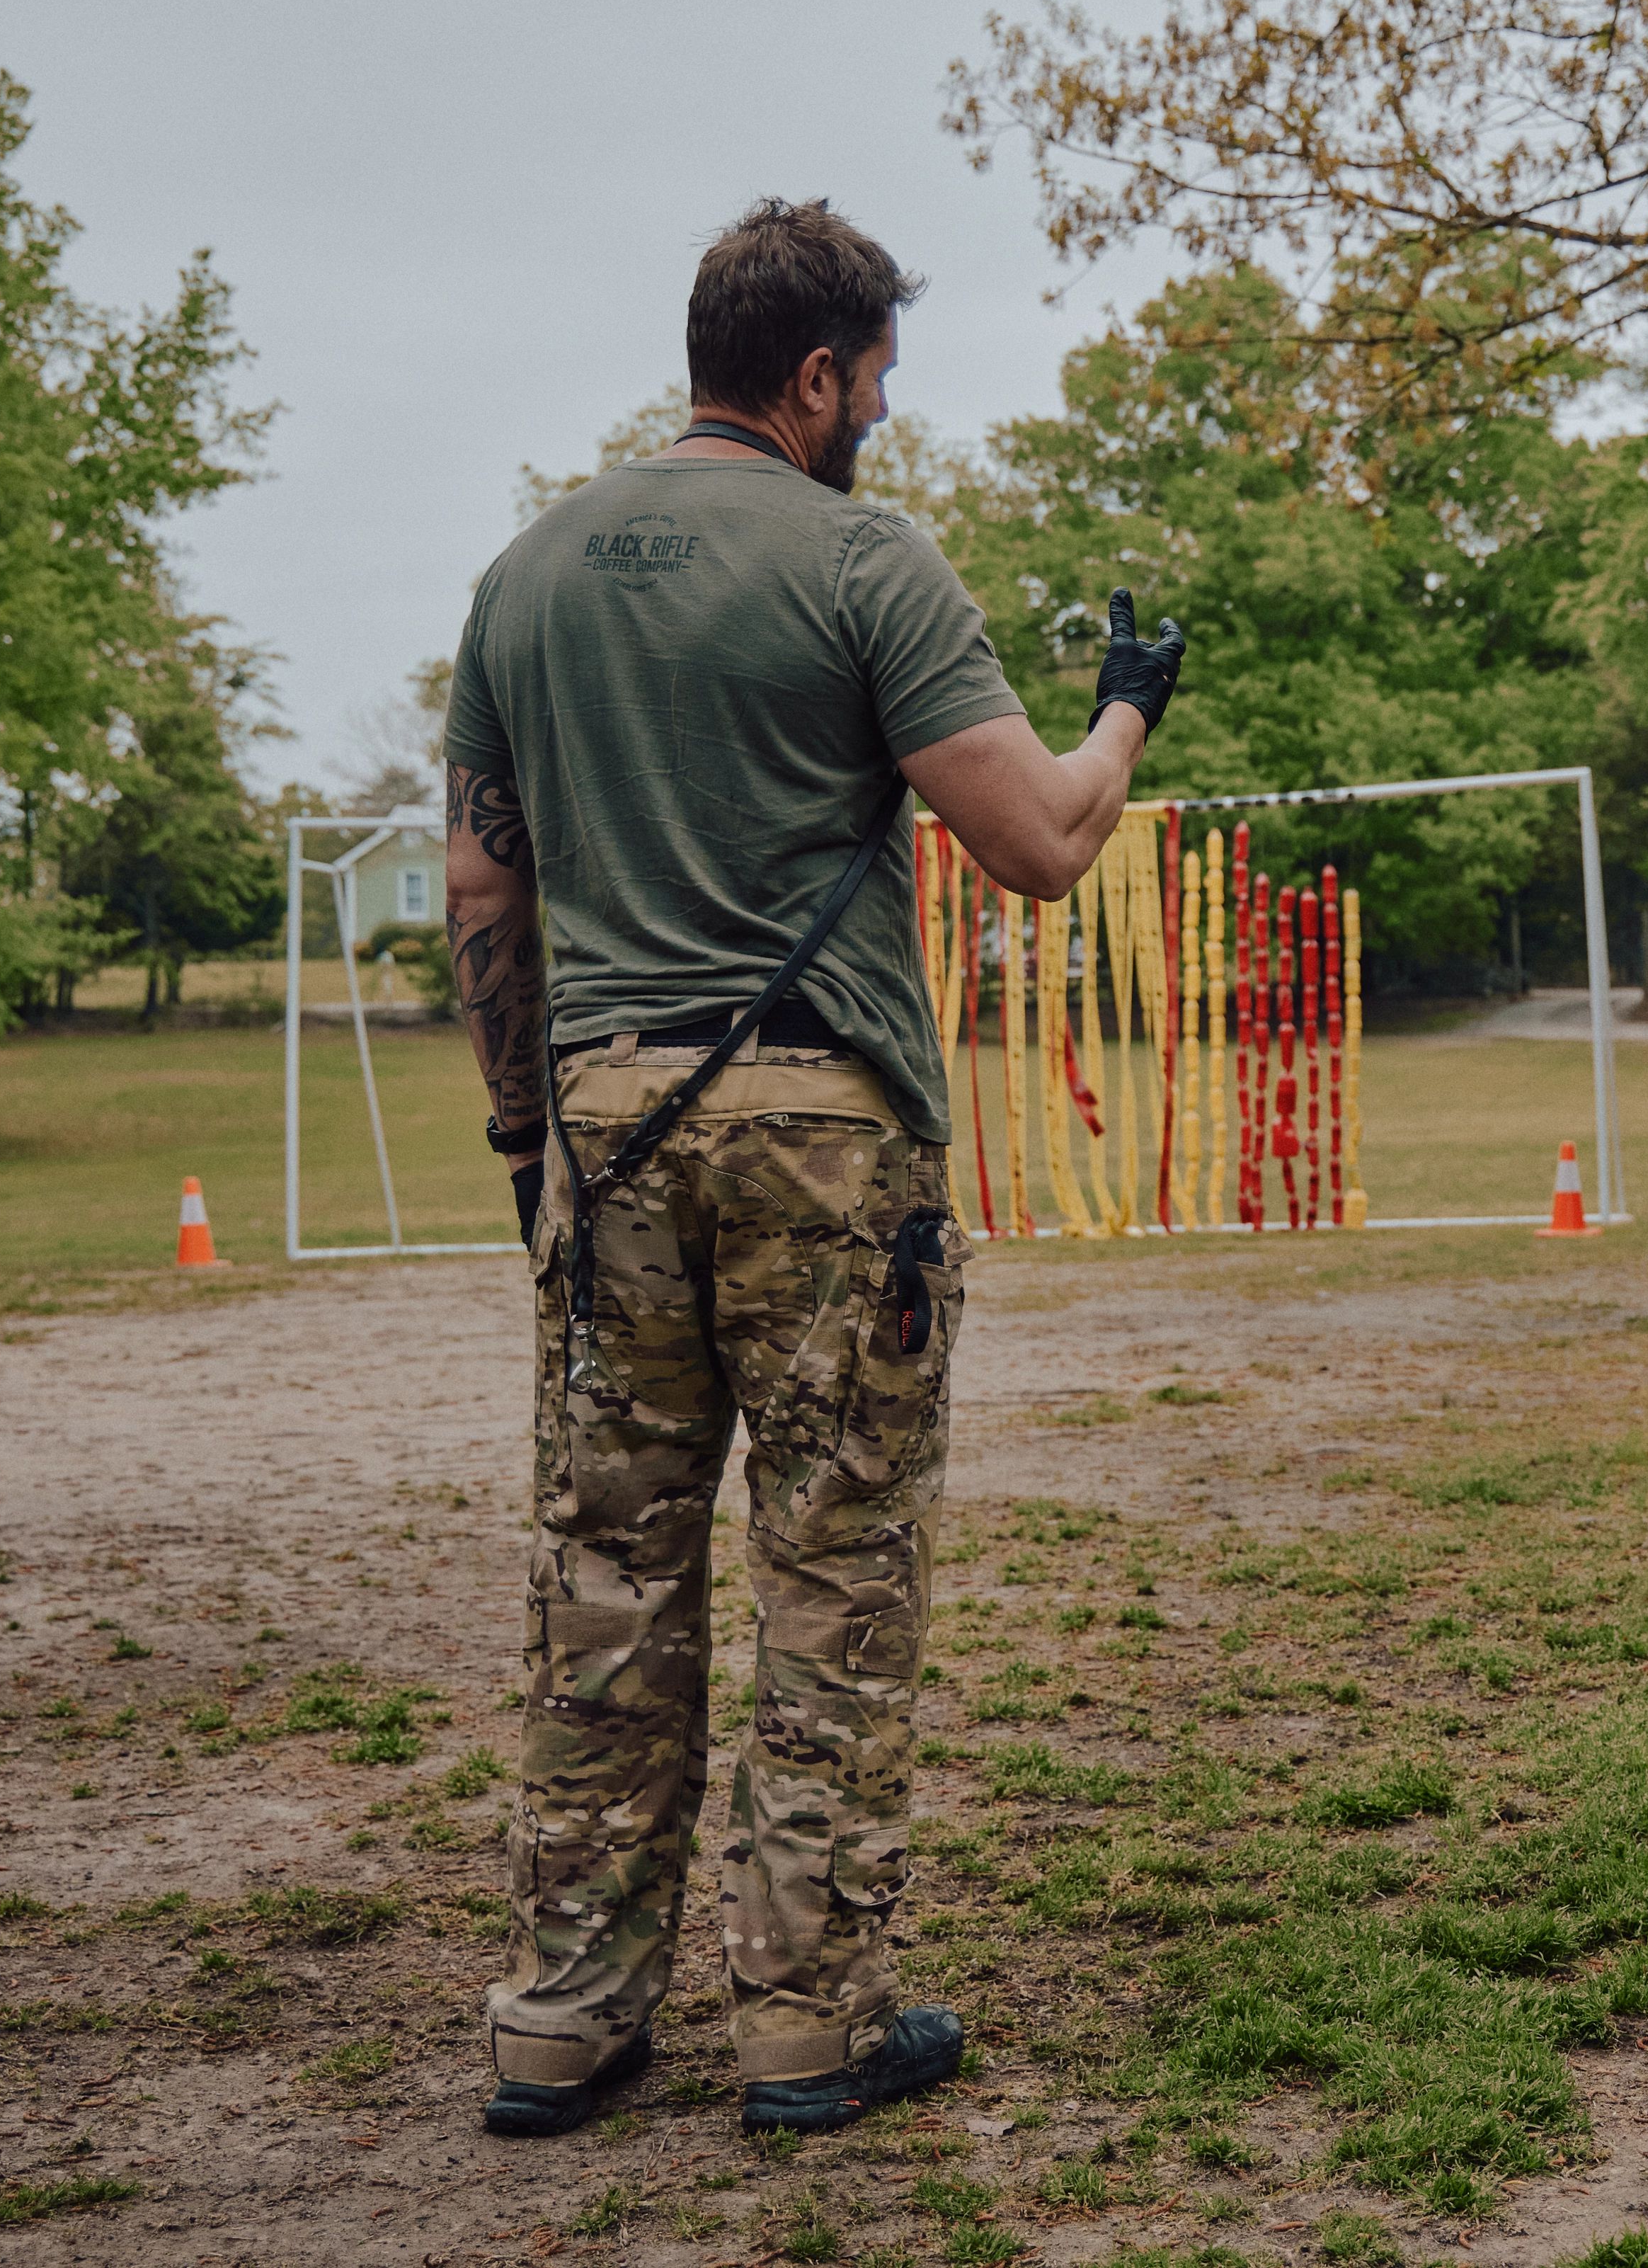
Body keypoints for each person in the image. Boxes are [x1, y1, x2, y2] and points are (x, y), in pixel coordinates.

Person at [442, 198, 1184, 2137]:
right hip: (825, 1132)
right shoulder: (865, 558)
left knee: (604, 1574)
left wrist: (528, 1134)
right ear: (814, 374)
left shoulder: (525, 576)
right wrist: (1124, 710)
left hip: (604, 1125)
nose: (882, 417)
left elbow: (485, 895)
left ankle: (563, 2018)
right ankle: (804, 2021)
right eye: (876, 383)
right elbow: (1038, 842)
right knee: (836, 1570)